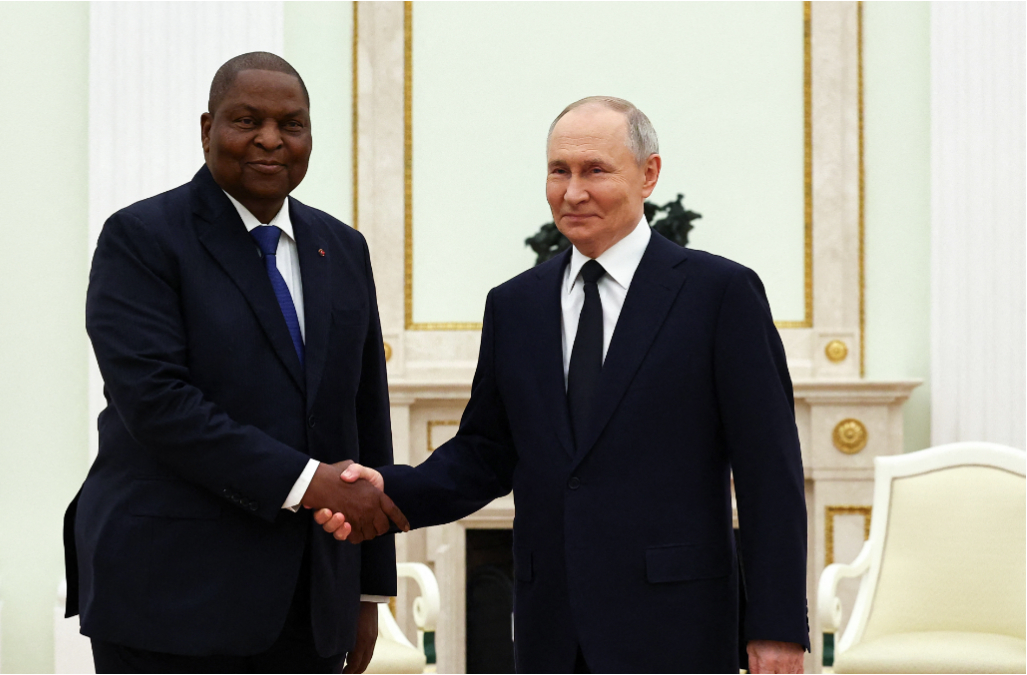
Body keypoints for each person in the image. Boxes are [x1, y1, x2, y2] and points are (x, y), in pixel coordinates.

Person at [317, 97, 809, 673]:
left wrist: (776, 629)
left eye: (595, 170)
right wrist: (391, 492)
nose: (572, 192)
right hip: (551, 629)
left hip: (679, 628)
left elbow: (769, 473)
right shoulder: (514, 305)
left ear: (649, 174)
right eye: (559, 170)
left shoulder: (721, 295)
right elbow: (485, 452)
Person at [62, 52, 408, 674]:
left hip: (310, 607)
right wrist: (308, 482)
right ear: (207, 129)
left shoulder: (344, 249)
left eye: (292, 124)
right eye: (247, 120)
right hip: (168, 598)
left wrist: (366, 590)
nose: (270, 140)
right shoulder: (141, 238)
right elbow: (159, 405)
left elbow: (365, 421)